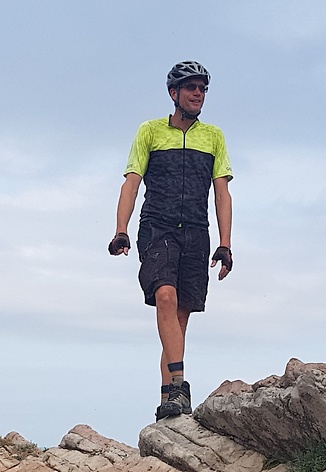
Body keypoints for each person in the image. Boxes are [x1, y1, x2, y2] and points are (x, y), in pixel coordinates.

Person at [110, 60, 234, 422]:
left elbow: (222, 193)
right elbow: (131, 181)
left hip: (196, 230)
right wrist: (120, 229)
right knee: (165, 295)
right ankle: (181, 385)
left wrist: (225, 244)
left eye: (203, 88)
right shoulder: (150, 131)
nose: (198, 93)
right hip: (157, 226)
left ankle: (169, 400)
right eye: (191, 87)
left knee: (178, 319)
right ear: (173, 93)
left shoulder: (213, 136)